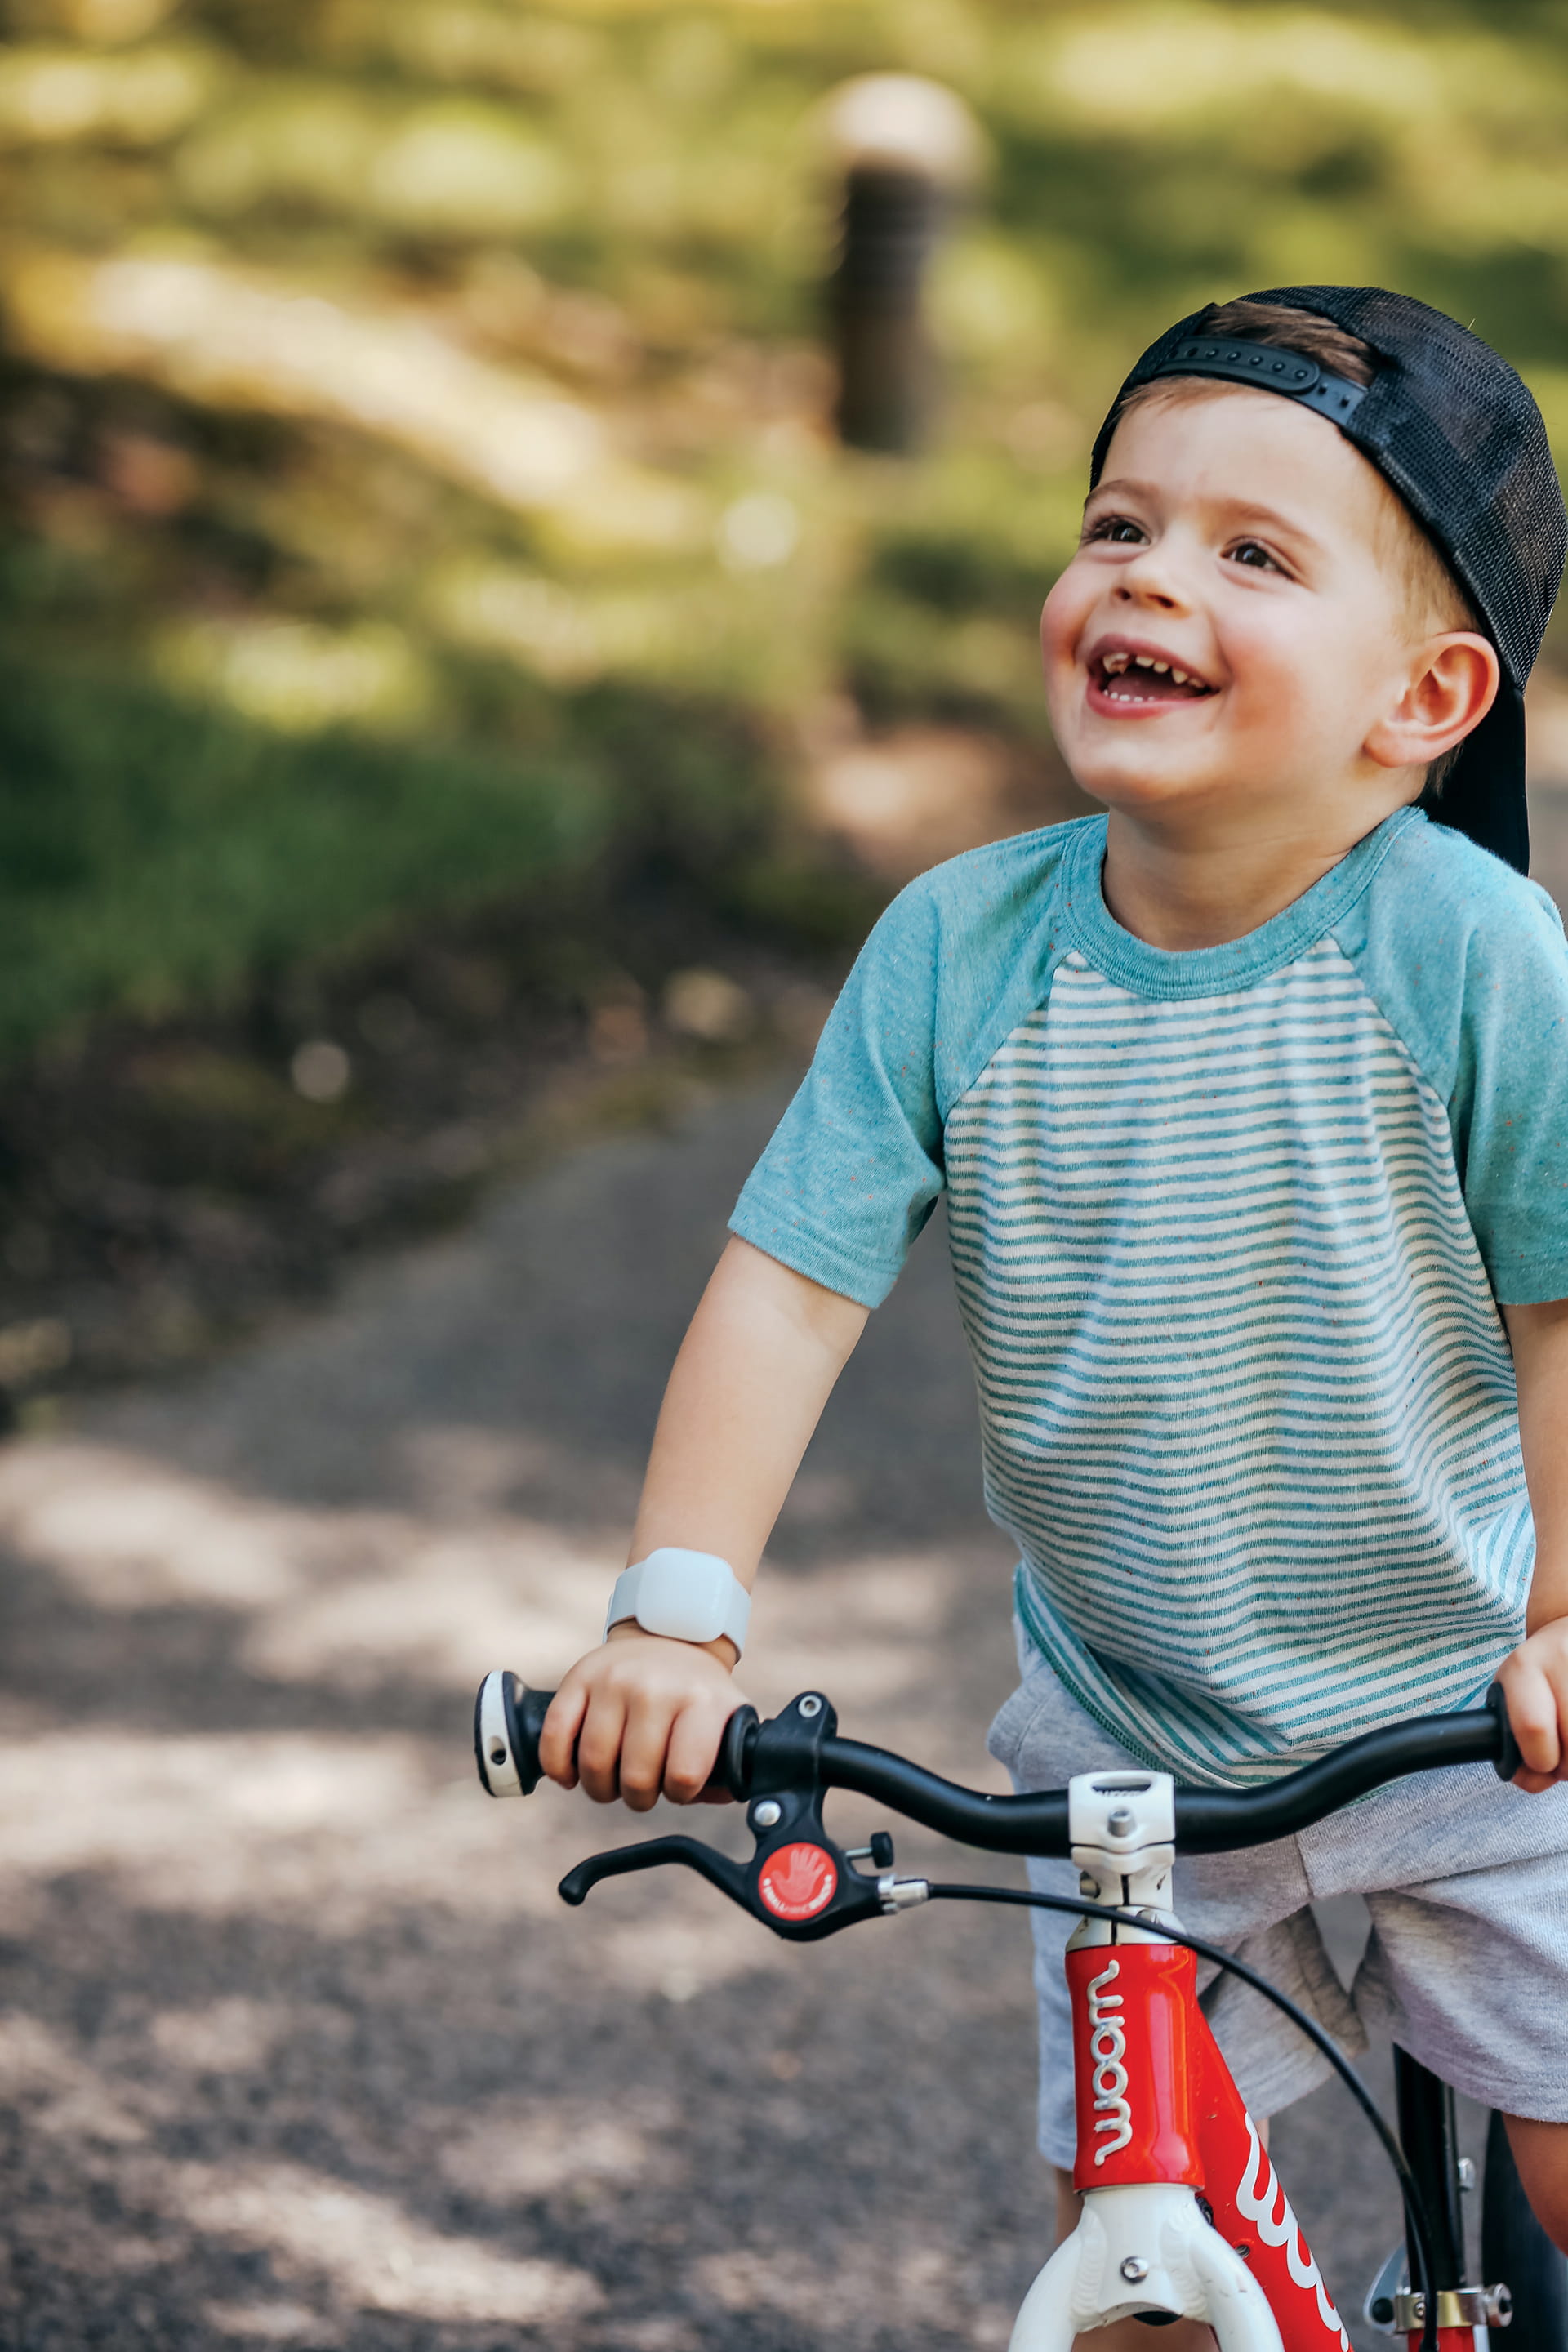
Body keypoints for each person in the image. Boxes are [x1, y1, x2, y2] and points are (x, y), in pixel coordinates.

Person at [540, 286, 1568, 2291]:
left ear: (1427, 701)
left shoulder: (1473, 953)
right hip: (1130, 1743)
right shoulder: (958, 951)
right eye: (1120, 524)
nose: (1149, 578)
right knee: (1137, 2254)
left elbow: (1563, 1304)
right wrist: (675, 1617)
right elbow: (787, 1288)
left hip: (1471, 1722)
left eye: (1251, 554)